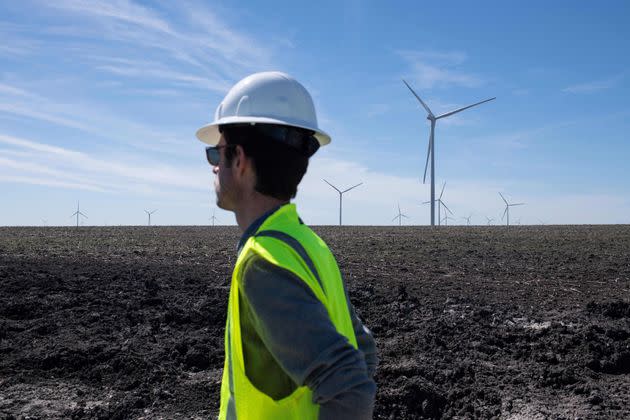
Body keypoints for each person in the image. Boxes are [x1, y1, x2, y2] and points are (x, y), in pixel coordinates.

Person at [196, 71, 377, 420]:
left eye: (215, 154)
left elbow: (349, 385)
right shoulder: (309, 245)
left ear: (241, 159)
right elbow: (363, 350)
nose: (214, 168)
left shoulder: (263, 263)